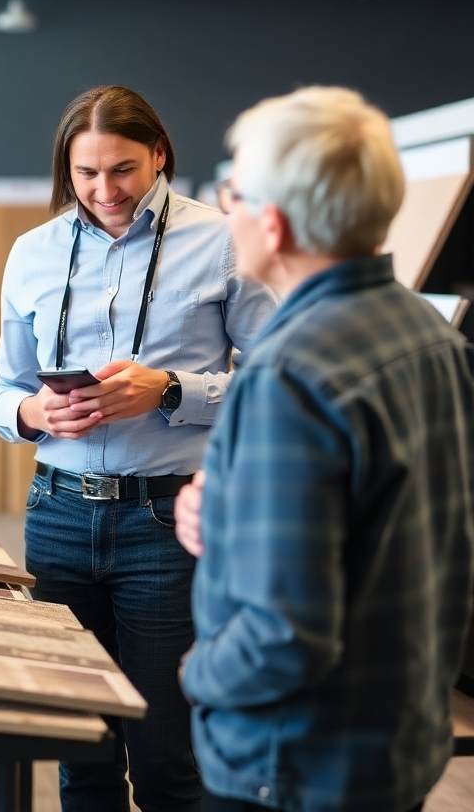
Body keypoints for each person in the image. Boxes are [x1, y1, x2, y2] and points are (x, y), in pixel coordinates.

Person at [174, 86, 474, 812]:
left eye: (232, 192)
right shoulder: (429, 334)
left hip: (292, 763)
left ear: (272, 224)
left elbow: (284, 638)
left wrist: (197, 672)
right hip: (392, 738)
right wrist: (235, 511)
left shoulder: (289, 373)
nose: (224, 208)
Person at [0, 85, 278, 812]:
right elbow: (3, 390)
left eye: (121, 169)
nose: (104, 190)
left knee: (165, 757)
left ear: (158, 155)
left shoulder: (222, 241)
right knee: (80, 750)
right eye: (86, 173)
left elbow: (280, 383)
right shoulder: (32, 254)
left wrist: (174, 390)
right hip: (55, 515)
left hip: (167, 523)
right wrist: (33, 412)